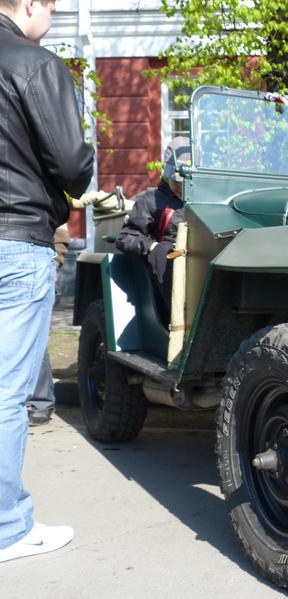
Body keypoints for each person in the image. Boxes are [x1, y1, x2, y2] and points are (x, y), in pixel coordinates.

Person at [0, 0, 94, 563]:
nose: (52, 20)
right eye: (53, 9)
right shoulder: (33, 61)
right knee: (7, 392)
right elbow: (73, 166)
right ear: (31, 5)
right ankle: (6, 527)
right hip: (15, 238)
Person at [115, 137, 189, 310]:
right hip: (165, 267)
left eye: (184, 181)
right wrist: (153, 247)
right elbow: (126, 237)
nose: (180, 186)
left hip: (196, 261)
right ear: (167, 175)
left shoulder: (205, 200)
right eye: (176, 181)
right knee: (164, 251)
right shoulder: (150, 201)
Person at [26, 225, 69, 426]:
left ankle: (41, 402)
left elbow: (59, 232)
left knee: (33, 337)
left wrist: (54, 263)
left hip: (33, 267)